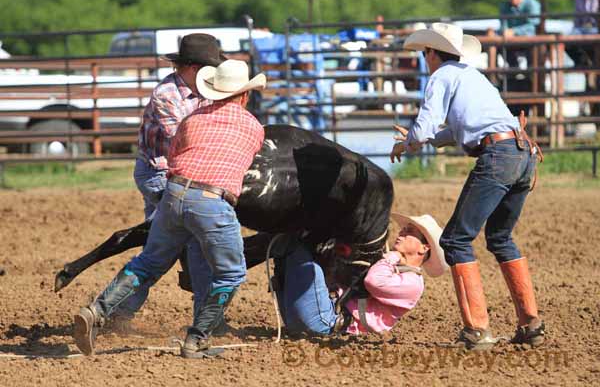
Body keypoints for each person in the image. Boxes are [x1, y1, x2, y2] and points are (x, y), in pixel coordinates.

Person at [73, 60, 266, 358]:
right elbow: (242, 164)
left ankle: (96, 310)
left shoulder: (193, 119)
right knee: (231, 273)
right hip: (212, 201)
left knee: (148, 262)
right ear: (244, 96)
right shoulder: (253, 127)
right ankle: (197, 339)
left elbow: (174, 156)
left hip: (174, 193)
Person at [390, 23, 544, 350]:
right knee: (500, 237)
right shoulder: (472, 76)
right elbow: (464, 128)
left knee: (455, 239)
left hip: (498, 156)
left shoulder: (441, 76)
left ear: (432, 53)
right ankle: (531, 323)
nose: (424, 59)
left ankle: (477, 330)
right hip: (521, 152)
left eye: (424, 54)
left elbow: (427, 126)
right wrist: (426, 138)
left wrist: (410, 142)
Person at [115, 34, 225, 324]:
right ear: (192, 67)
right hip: (160, 174)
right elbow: (183, 140)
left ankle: (116, 310)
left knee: (158, 246)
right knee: (195, 241)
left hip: (184, 175)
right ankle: (208, 318)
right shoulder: (166, 95)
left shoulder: (203, 89)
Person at [270, 214, 447, 336]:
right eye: (404, 229)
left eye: (410, 232)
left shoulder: (413, 283)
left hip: (327, 322)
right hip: (315, 317)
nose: (402, 232)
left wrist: (392, 255)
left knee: (296, 244)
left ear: (424, 248)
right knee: (291, 241)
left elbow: (373, 281)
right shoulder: (395, 269)